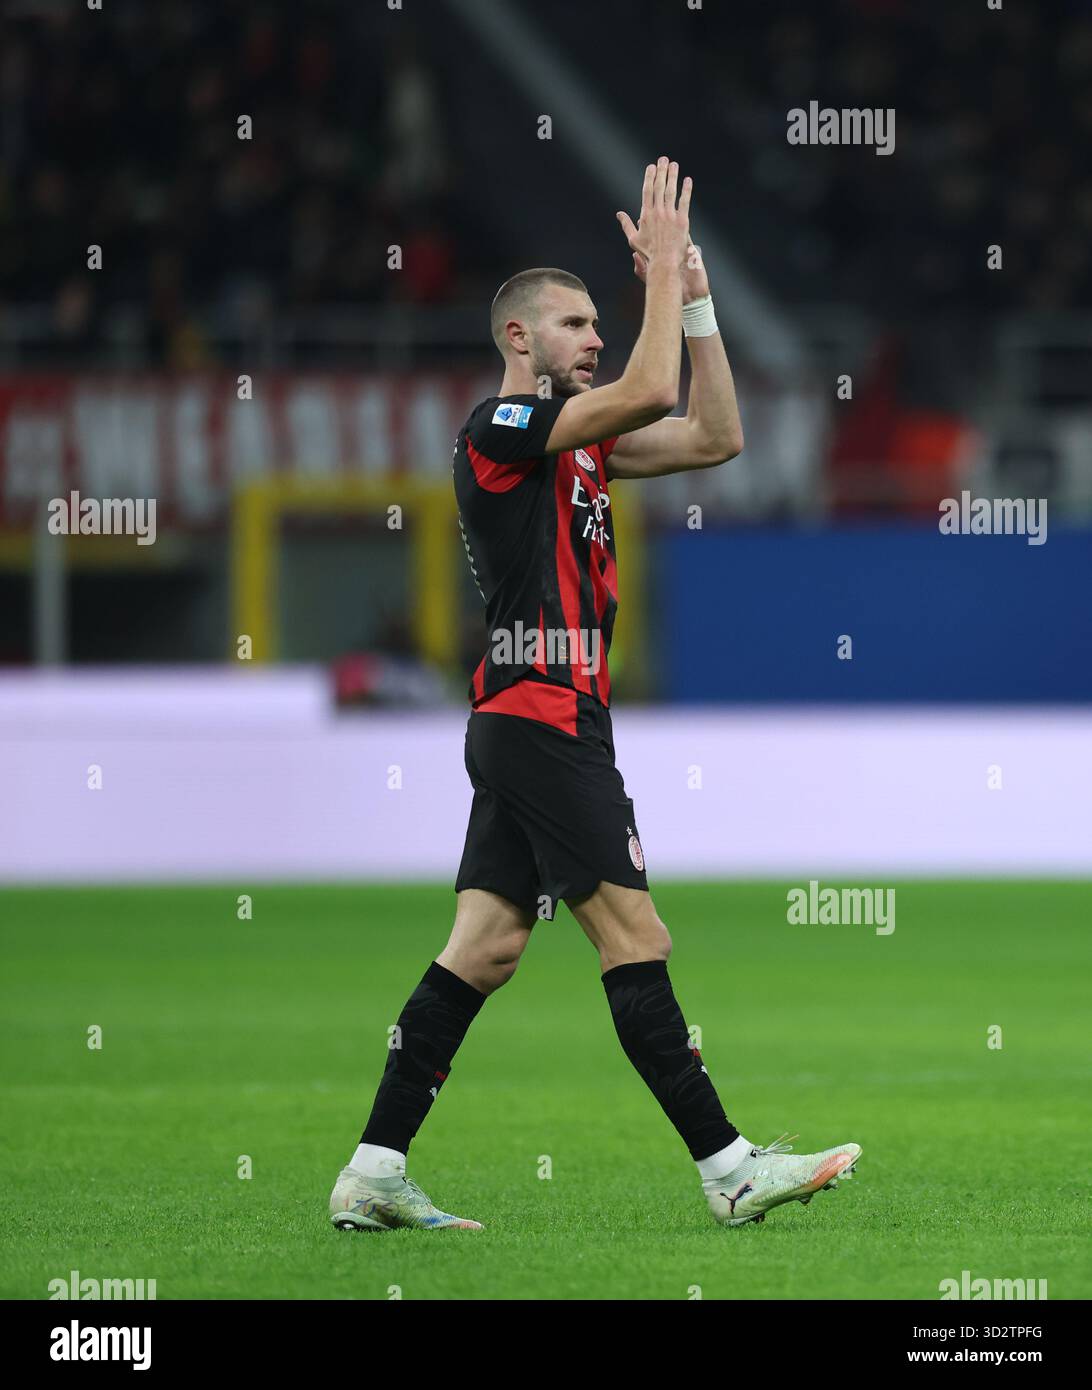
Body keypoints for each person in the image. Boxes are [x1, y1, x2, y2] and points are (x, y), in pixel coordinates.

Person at [330, 157, 861, 1232]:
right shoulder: (500, 431)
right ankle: (727, 1168)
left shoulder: (583, 451)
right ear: (518, 338)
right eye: (573, 323)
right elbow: (651, 388)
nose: (592, 337)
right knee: (637, 937)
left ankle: (373, 1170)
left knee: (483, 947)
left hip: (535, 723)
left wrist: (697, 295)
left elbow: (717, 433)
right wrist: (659, 272)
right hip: (541, 718)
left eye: (594, 320)